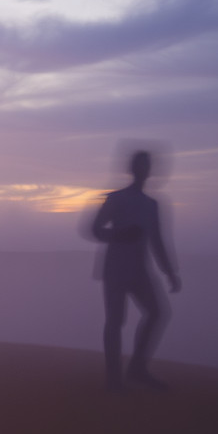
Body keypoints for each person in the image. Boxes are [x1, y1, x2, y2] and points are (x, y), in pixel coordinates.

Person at [91, 150, 181, 391]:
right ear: (133, 169)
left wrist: (170, 272)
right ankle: (114, 379)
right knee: (116, 320)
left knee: (157, 312)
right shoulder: (117, 199)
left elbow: (157, 240)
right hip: (116, 269)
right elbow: (94, 229)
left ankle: (137, 368)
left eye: (147, 165)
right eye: (141, 165)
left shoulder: (151, 205)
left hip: (139, 269)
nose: (144, 169)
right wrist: (119, 234)